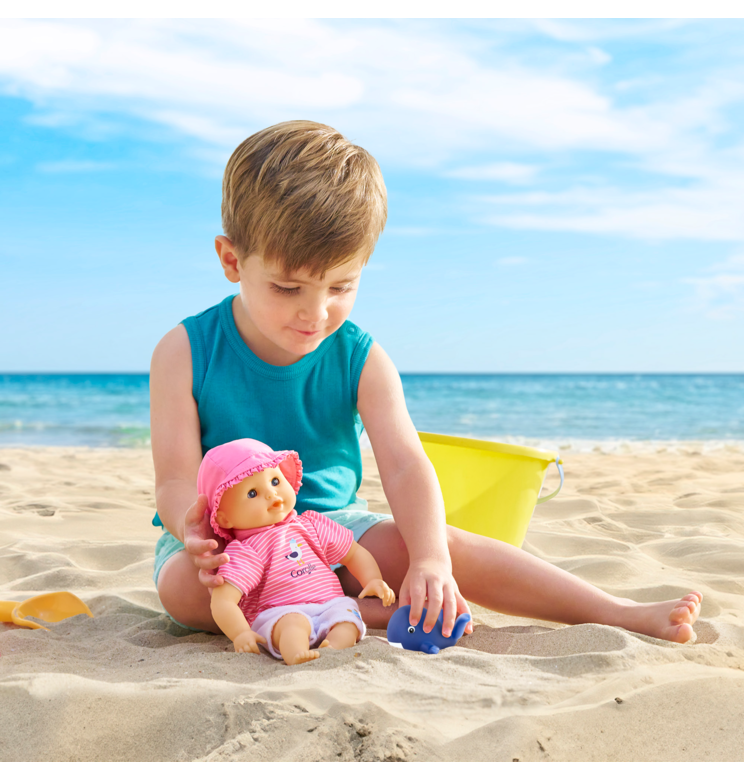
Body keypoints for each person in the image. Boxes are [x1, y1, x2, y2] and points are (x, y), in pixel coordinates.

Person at [150, 120, 702, 643]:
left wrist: (431, 560)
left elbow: (404, 465)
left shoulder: (361, 358)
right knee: (184, 591)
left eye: (340, 287)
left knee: (441, 546)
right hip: (232, 542)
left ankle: (615, 611)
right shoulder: (185, 352)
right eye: (288, 288)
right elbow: (176, 479)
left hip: (333, 532)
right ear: (231, 260)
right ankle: (355, 610)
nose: (315, 314)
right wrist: (194, 530)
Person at [200, 438, 394, 665]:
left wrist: (372, 579)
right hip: (281, 611)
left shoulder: (311, 524)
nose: (271, 494)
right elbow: (223, 601)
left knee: (347, 619)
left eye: (274, 481)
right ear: (225, 519)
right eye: (252, 493)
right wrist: (241, 633)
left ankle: (334, 648)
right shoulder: (247, 550)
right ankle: (296, 653)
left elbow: (353, 552)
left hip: (329, 602)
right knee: (293, 625)